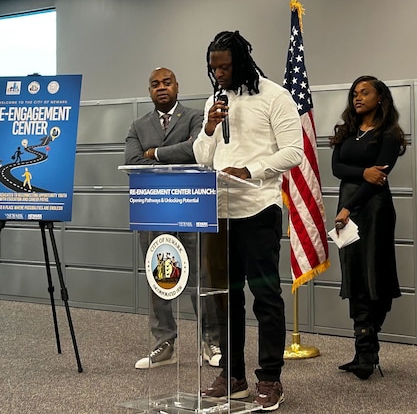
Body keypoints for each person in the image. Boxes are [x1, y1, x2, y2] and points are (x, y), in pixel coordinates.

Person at [195, 31, 303, 411]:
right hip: (219, 213)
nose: (219, 74)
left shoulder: (274, 96)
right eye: (213, 68)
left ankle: (270, 378)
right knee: (225, 298)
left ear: (241, 61)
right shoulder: (215, 101)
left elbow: (294, 151)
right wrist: (208, 128)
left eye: (225, 66)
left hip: (258, 209)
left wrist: (251, 170)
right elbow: (202, 158)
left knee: (265, 297)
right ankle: (233, 375)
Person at [124, 67, 222, 369]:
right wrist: (168, 153)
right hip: (153, 211)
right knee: (159, 277)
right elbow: (131, 161)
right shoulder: (138, 125)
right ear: (149, 90)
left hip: (192, 208)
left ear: (177, 86)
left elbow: (197, 151)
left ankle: (211, 342)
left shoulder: (195, 117)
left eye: (167, 83)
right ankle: (164, 345)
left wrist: (154, 153)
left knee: (200, 279)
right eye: (155, 85)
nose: (161, 88)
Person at [330, 75, 407, 380]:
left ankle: (367, 348)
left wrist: (350, 206)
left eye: (365, 92)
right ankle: (365, 350)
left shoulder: (387, 136)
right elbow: (337, 169)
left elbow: (378, 181)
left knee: (375, 274)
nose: (358, 98)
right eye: (355, 93)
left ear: (380, 98)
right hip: (347, 207)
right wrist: (363, 171)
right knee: (354, 275)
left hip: (373, 210)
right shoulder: (347, 133)